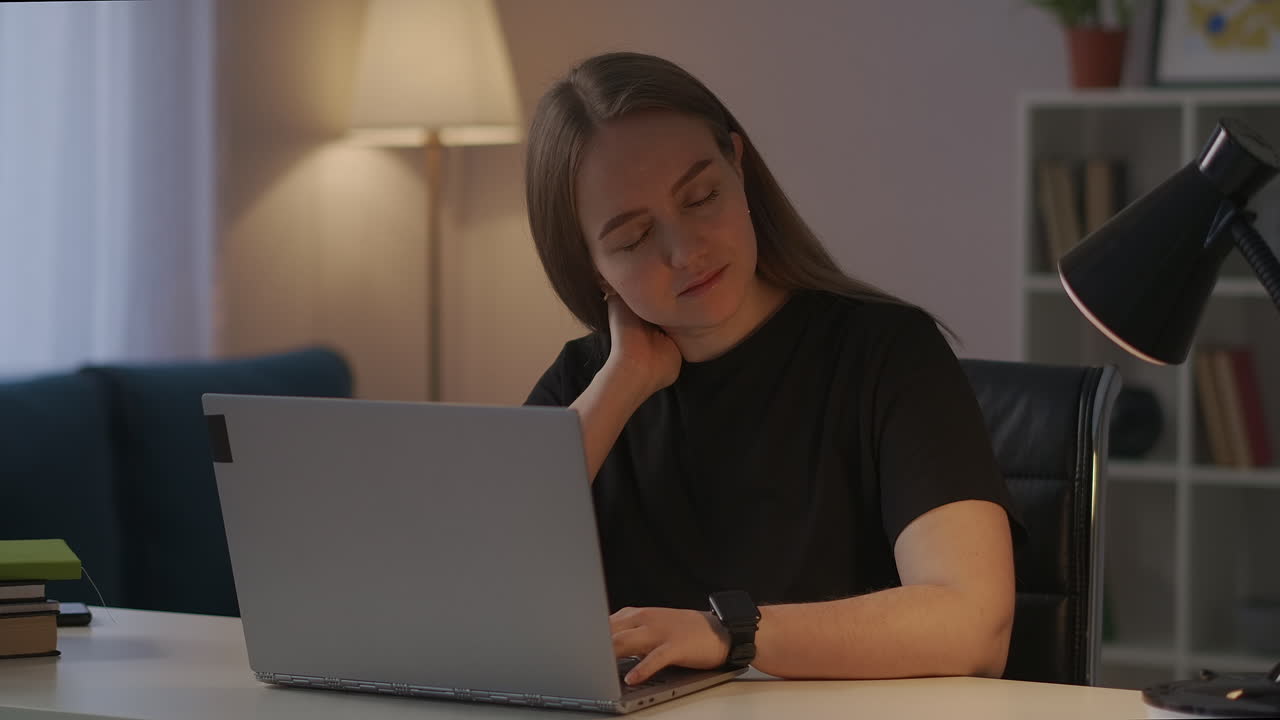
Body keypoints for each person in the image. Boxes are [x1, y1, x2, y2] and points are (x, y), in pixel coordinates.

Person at [523, 51, 1025, 686]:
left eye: (702, 197)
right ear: (593, 266)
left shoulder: (885, 352)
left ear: (739, 167)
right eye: (632, 239)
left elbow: (973, 627)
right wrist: (621, 386)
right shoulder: (584, 389)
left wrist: (726, 634)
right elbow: (470, 602)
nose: (687, 251)